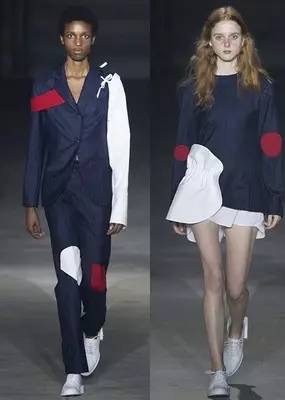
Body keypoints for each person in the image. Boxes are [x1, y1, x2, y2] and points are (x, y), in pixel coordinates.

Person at [166, 6, 284, 397]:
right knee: (212, 279)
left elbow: (271, 142)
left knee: (236, 288)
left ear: (244, 41)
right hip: (203, 190)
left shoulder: (260, 87)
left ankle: (236, 328)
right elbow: (182, 144)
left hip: (246, 189)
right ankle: (216, 369)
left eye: (234, 36)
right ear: (209, 43)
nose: (227, 43)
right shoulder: (193, 88)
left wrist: (274, 196)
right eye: (219, 37)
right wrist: (177, 197)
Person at [23, 5, 130, 397]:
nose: (78, 42)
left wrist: (120, 205)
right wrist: (30, 202)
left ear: (93, 39)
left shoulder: (109, 82)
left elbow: (121, 144)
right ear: (61, 39)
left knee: (96, 277)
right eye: (71, 35)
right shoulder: (44, 85)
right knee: (68, 279)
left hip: (97, 193)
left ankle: (93, 324)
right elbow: (36, 143)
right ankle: (73, 369)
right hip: (59, 195)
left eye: (84, 35)